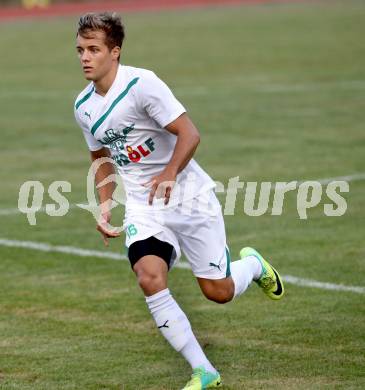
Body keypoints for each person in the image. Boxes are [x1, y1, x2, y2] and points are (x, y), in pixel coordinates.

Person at [74, 12, 284, 390]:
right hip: (144, 204)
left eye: (93, 49)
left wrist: (170, 171)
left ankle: (252, 266)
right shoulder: (83, 106)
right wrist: (104, 206)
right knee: (149, 277)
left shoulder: (142, 84)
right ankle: (204, 370)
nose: (85, 57)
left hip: (189, 197)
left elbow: (189, 133)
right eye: (80, 50)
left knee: (217, 292)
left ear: (115, 52)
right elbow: (102, 161)